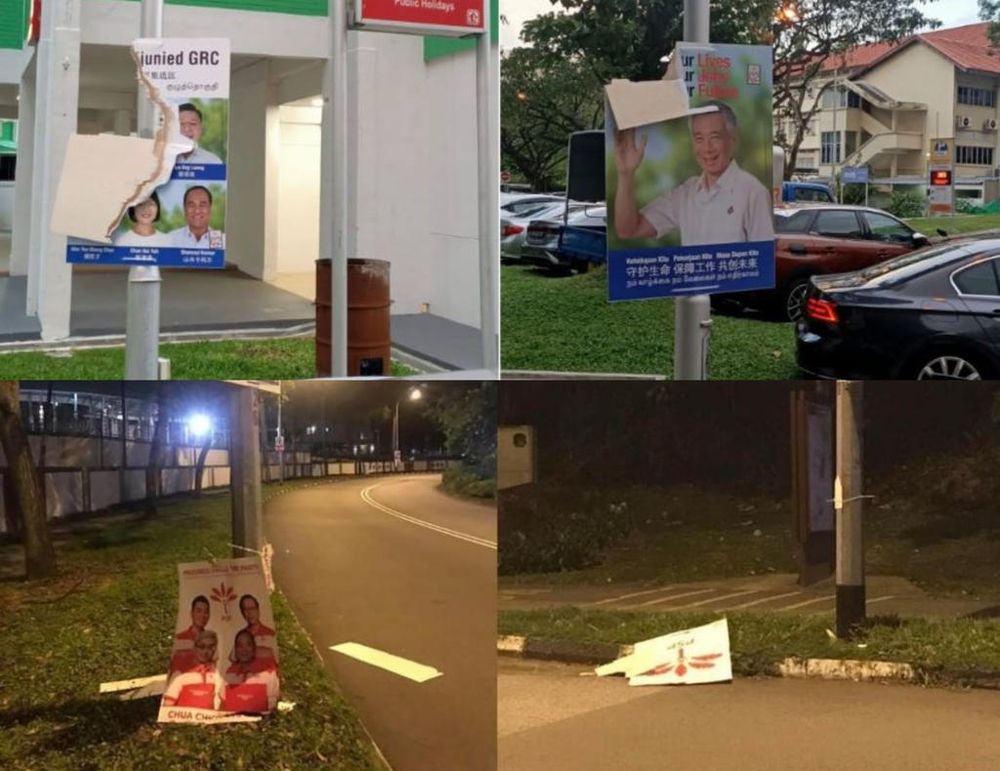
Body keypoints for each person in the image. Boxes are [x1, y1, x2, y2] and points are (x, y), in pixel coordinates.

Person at [613, 101, 774, 246]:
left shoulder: (753, 192)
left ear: (732, 139)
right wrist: (626, 174)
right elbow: (628, 230)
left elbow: (763, 263)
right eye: (699, 139)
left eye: (714, 137)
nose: (707, 148)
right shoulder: (686, 193)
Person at [162, 629, 222, 710]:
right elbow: (167, 706)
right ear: (195, 648)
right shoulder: (181, 674)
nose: (206, 651)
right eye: (201, 646)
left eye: (210, 647)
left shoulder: (217, 675)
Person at [222, 629, 280, 713]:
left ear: (254, 648)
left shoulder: (268, 674)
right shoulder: (229, 674)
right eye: (240, 646)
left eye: (248, 645)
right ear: (235, 649)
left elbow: (273, 706)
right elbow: (223, 703)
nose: (244, 650)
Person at [170, 594, 212, 673]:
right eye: (199, 611)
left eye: (206, 612)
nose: (203, 615)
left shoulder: (211, 640)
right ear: (192, 613)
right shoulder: (180, 639)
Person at [231, 594, 276, 663]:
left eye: (252, 608)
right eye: (245, 610)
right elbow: (233, 658)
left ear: (258, 610)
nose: (249, 613)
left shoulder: (270, 633)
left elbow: (275, 658)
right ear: (242, 613)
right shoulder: (241, 636)